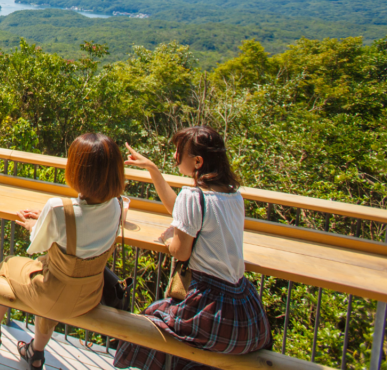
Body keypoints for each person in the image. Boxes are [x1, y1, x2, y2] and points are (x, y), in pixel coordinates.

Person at [114, 126, 271, 370]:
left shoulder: (193, 196)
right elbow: (182, 212)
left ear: (197, 161)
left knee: (143, 329)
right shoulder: (232, 195)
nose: (175, 158)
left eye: (178, 153)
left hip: (210, 308)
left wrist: (168, 240)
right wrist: (152, 169)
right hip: (245, 313)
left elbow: (181, 251)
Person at [0, 132, 128, 369]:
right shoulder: (117, 206)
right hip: (89, 296)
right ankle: (35, 353)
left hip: (55, 295)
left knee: (7, 265)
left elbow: (38, 244)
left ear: (77, 170)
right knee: (53, 285)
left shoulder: (58, 209)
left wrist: (34, 224)